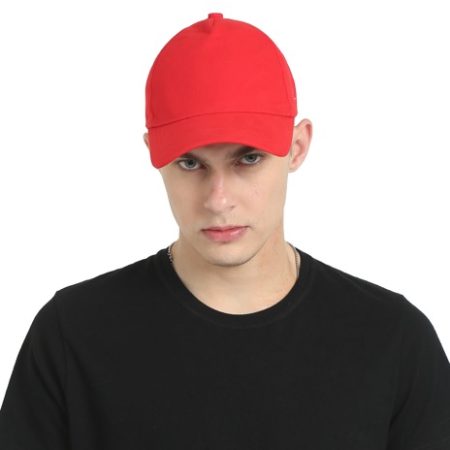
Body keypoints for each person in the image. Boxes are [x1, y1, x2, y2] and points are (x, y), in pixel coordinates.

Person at [1, 11, 449, 449]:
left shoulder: (392, 341)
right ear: (154, 153)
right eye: (190, 163)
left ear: (297, 147)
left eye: (248, 159)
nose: (218, 200)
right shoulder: (73, 335)